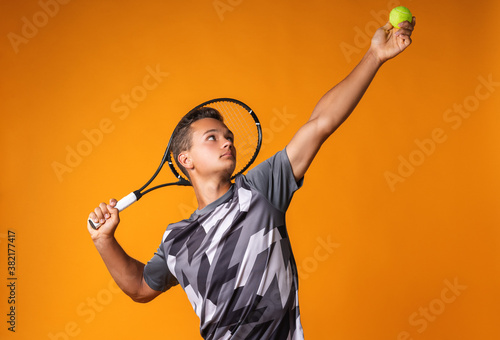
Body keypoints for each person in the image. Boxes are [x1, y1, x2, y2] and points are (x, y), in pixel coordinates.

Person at [88, 18, 416, 339]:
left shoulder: (259, 190)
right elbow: (140, 286)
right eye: (212, 138)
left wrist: (374, 56)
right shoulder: (177, 240)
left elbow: (320, 124)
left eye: (228, 135)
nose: (228, 141)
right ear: (185, 160)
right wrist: (104, 240)